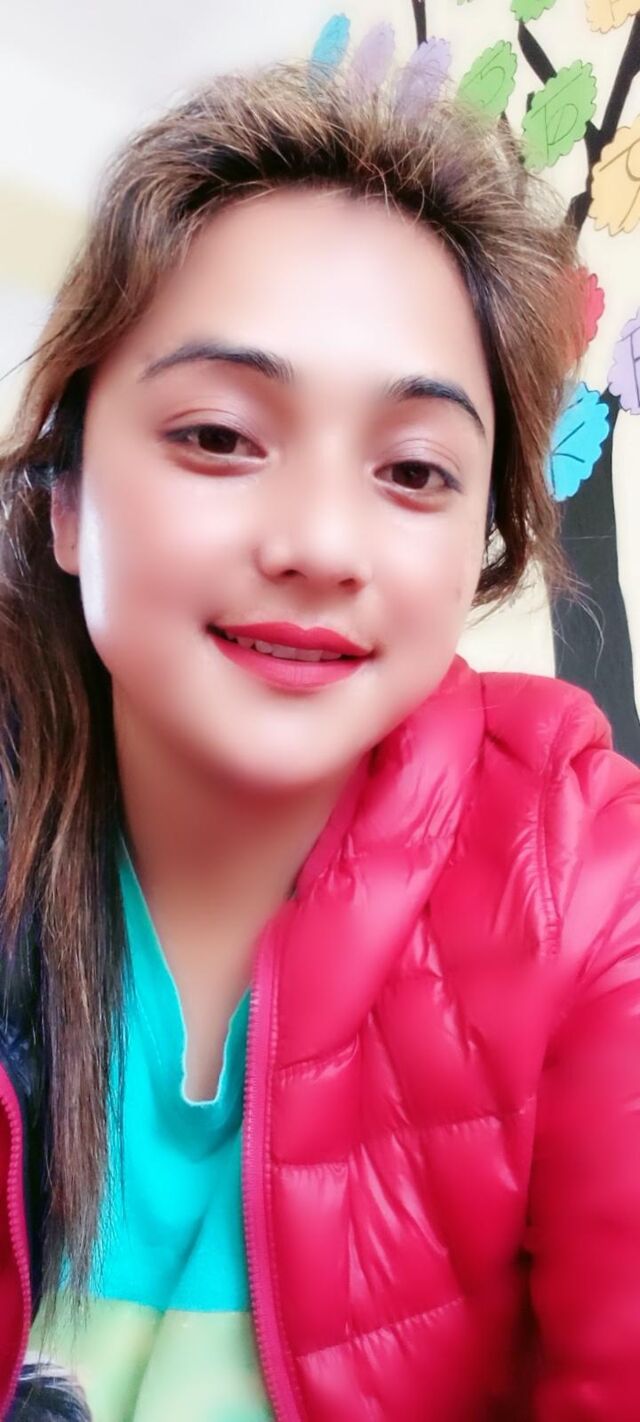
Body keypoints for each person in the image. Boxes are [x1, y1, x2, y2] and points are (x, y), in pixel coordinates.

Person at [0, 57, 639, 1422]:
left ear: (478, 552)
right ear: (64, 497)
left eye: (412, 470)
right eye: (221, 436)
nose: (319, 545)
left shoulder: (585, 883)